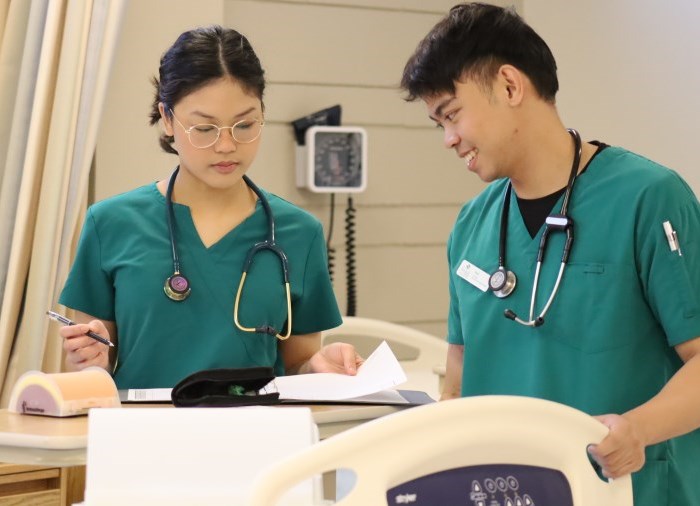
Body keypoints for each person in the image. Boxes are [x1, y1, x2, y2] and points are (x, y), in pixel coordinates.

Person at [400, 3, 700, 505]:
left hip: (630, 490)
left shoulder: (649, 199)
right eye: (438, 124)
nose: (449, 139)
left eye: (451, 114)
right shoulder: (472, 225)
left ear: (511, 86)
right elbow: (457, 385)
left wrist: (637, 429)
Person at [58, 25, 362, 389]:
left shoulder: (299, 233)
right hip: (142, 435)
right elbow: (95, 365)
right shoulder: (110, 224)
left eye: (245, 124)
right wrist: (90, 360)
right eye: (205, 129)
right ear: (168, 120)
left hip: (263, 435)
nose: (227, 146)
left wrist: (318, 365)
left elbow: (297, 363)